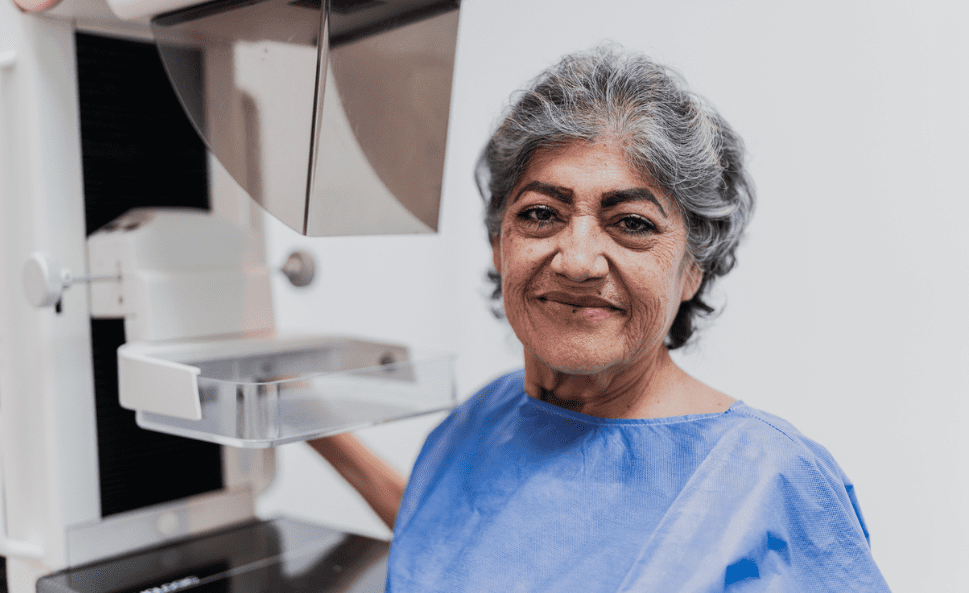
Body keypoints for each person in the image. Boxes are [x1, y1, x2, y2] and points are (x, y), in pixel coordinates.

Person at [311, 45, 890, 592]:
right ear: (499, 243)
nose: (579, 261)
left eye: (632, 223)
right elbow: (446, 545)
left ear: (693, 270)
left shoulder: (769, 479)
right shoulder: (480, 421)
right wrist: (312, 421)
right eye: (541, 214)